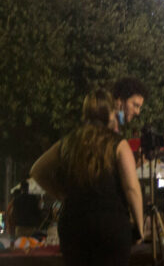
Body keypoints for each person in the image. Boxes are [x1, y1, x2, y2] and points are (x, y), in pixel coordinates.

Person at [30, 88, 144, 266]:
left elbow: (37, 170)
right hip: (111, 226)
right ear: (110, 113)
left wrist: (61, 194)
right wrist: (140, 227)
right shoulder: (118, 144)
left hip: (74, 224)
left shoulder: (68, 142)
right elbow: (132, 188)